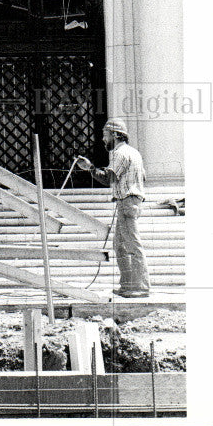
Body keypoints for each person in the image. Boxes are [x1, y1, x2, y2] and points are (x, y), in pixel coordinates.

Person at [77, 118, 150, 298]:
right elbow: (143, 178)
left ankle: (140, 286)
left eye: (105, 134)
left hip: (127, 202)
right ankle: (128, 285)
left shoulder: (119, 153)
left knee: (131, 245)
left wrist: (90, 168)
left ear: (116, 135)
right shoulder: (134, 153)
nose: (103, 139)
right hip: (131, 201)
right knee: (121, 245)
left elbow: (107, 178)